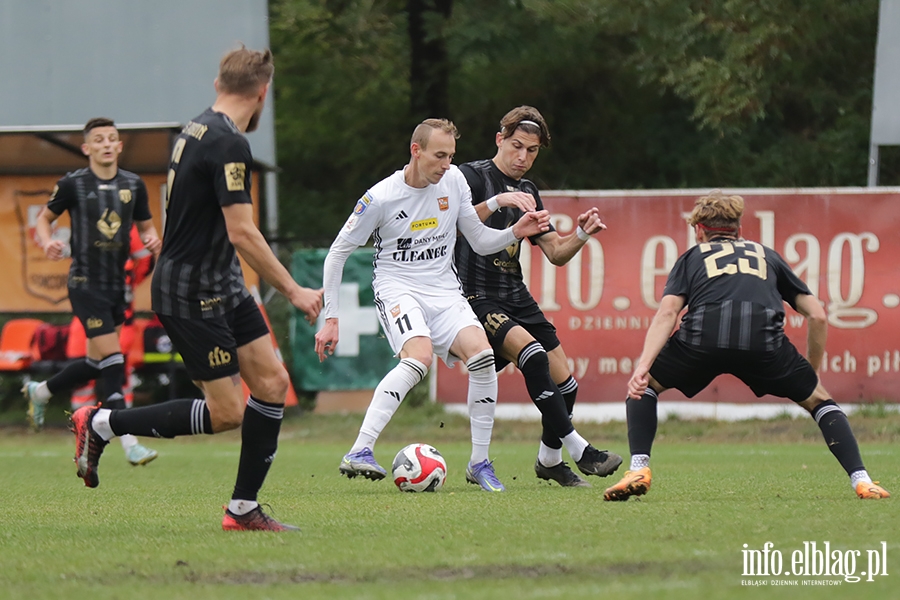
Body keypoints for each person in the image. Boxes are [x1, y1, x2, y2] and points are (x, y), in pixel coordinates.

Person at [66, 46, 324, 532]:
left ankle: (242, 509)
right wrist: (294, 291)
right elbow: (242, 231)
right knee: (227, 412)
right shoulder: (229, 143)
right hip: (190, 291)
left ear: (218, 85)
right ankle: (102, 424)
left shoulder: (195, 126)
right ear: (263, 92)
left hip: (222, 282)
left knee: (271, 382)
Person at [603, 190, 890, 501]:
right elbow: (818, 315)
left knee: (644, 388)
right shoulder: (767, 256)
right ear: (739, 228)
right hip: (763, 344)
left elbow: (668, 313)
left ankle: (639, 468)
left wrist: (643, 368)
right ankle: (862, 480)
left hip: (701, 341)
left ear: (699, 230)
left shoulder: (692, 257)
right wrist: (810, 373)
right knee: (821, 403)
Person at [315, 118, 551, 492]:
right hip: (397, 288)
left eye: (451, 156)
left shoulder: (454, 180)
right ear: (416, 151)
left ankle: (479, 463)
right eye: (439, 156)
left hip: (443, 289)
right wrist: (331, 317)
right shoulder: (381, 196)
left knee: (483, 356)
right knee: (419, 357)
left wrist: (514, 232)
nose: (447, 164)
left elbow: (479, 239)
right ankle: (360, 449)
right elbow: (338, 253)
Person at [454, 106, 622, 487]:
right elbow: (453, 227)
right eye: (516, 146)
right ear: (499, 139)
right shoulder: (471, 177)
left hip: (516, 294)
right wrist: (499, 203)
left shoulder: (528, 189)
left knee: (567, 385)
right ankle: (580, 450)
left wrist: (581, 234)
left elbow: (556, 253)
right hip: (475, 295)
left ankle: (549, 460)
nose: (522, 158)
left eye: (532, 151)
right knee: (531, 355)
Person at [24, 118, 162, 457]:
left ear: (118, 147)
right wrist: (47, 242)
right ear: (87, 148)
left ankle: (40, 392)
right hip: (86, 283)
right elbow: (44, 219)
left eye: (111, 139)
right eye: (98, 139)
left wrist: (152, 239)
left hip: (118, 287)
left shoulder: (133, 184)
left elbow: (146, 227)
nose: (105, 144)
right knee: (115, 360)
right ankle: (129, 441)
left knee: (97, 362)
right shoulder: (73, 183)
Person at [66, 224, 159, 466]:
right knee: (88, 383)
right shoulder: (93, 239)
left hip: (117, 327)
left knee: (117, 382)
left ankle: (128, 444)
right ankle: (86, 442)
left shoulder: (124, 234)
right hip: (91, 326)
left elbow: (146, 261)